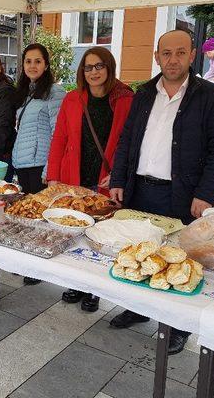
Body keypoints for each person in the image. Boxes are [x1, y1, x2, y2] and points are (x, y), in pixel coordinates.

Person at [108, 29, 214, 355]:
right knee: (141, 252)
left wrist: (206, 193)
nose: (173, 59)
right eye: (166, 53)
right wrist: (119, 180)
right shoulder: (144, 93)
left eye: (180, 53)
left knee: (180, 259)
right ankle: (138, 308)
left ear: (192, 55)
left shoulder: (210, 96)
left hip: (182, 194)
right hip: (140, 190)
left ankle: (177, 326)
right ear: (157, 57)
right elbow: (127, 140)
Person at [46, 46, 133, 312]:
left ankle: (95, 289)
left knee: (100, 234)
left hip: (106, 178)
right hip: (75, 177)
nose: (94, 72)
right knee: (74, 232)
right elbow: (59, 138)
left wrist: (118, 174)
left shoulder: (126, 98)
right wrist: (53, 176)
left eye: (99, 66)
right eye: (88, 67)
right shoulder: (73, 99)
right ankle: (77, 282)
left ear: (109, 67)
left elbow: (129, 143)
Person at [11, 43, 65, 285]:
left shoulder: (54, 93)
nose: (32, 66)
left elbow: (58, 133)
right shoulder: (25, 91)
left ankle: (38, 267)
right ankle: (27, 261)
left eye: (37, 61)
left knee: (41, 219)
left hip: (40, 164)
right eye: (28, 61)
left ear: (46, 64)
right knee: (28, 216)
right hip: (23, 162)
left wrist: (49, 168)